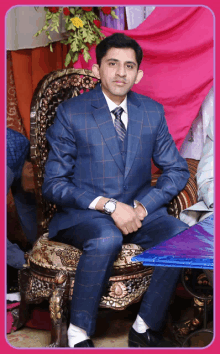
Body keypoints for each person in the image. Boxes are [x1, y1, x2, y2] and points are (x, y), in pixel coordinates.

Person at [42, 33, 190, 348]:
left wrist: (143, 207)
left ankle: (144, 327)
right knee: (106, 236)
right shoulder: (72, 113)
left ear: (139, 74)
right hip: (85, 214)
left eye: (128, 66)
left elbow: (176, 169)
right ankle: (78, 333)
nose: (121, 72)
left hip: (138, 211)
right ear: (97, 69)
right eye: (112, 64)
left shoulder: (151, 112)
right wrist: (109, 206)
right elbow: (53, 184)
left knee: (180, 233)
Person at [7, 128, 37, 286]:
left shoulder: (25, 157)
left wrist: (40, 250)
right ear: (32, 169)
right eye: (38, 186)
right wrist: (25, 262)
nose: (37, 191)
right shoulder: (8, 155)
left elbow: (29, 213)